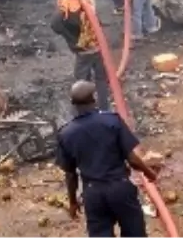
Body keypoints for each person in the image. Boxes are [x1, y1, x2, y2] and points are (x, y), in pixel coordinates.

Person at [55, 81, 159, 238]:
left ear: (72, 104)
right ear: (94, 98)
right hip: (120, 188)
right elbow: (132, 160)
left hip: (93, 194)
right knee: (134, 232)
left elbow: (70, 174)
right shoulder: (112, 121)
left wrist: (73, 202)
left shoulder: (66, 133)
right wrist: (150, 173)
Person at [51, 0, 110, 111]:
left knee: (82, 81)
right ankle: (104, 109)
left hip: (83, 53)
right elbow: (98, 24)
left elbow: (55, 25)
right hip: (97, 49)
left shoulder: (65, 11)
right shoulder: (85, 7)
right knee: (101, 80)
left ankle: (84, 110)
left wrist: (70, 38)